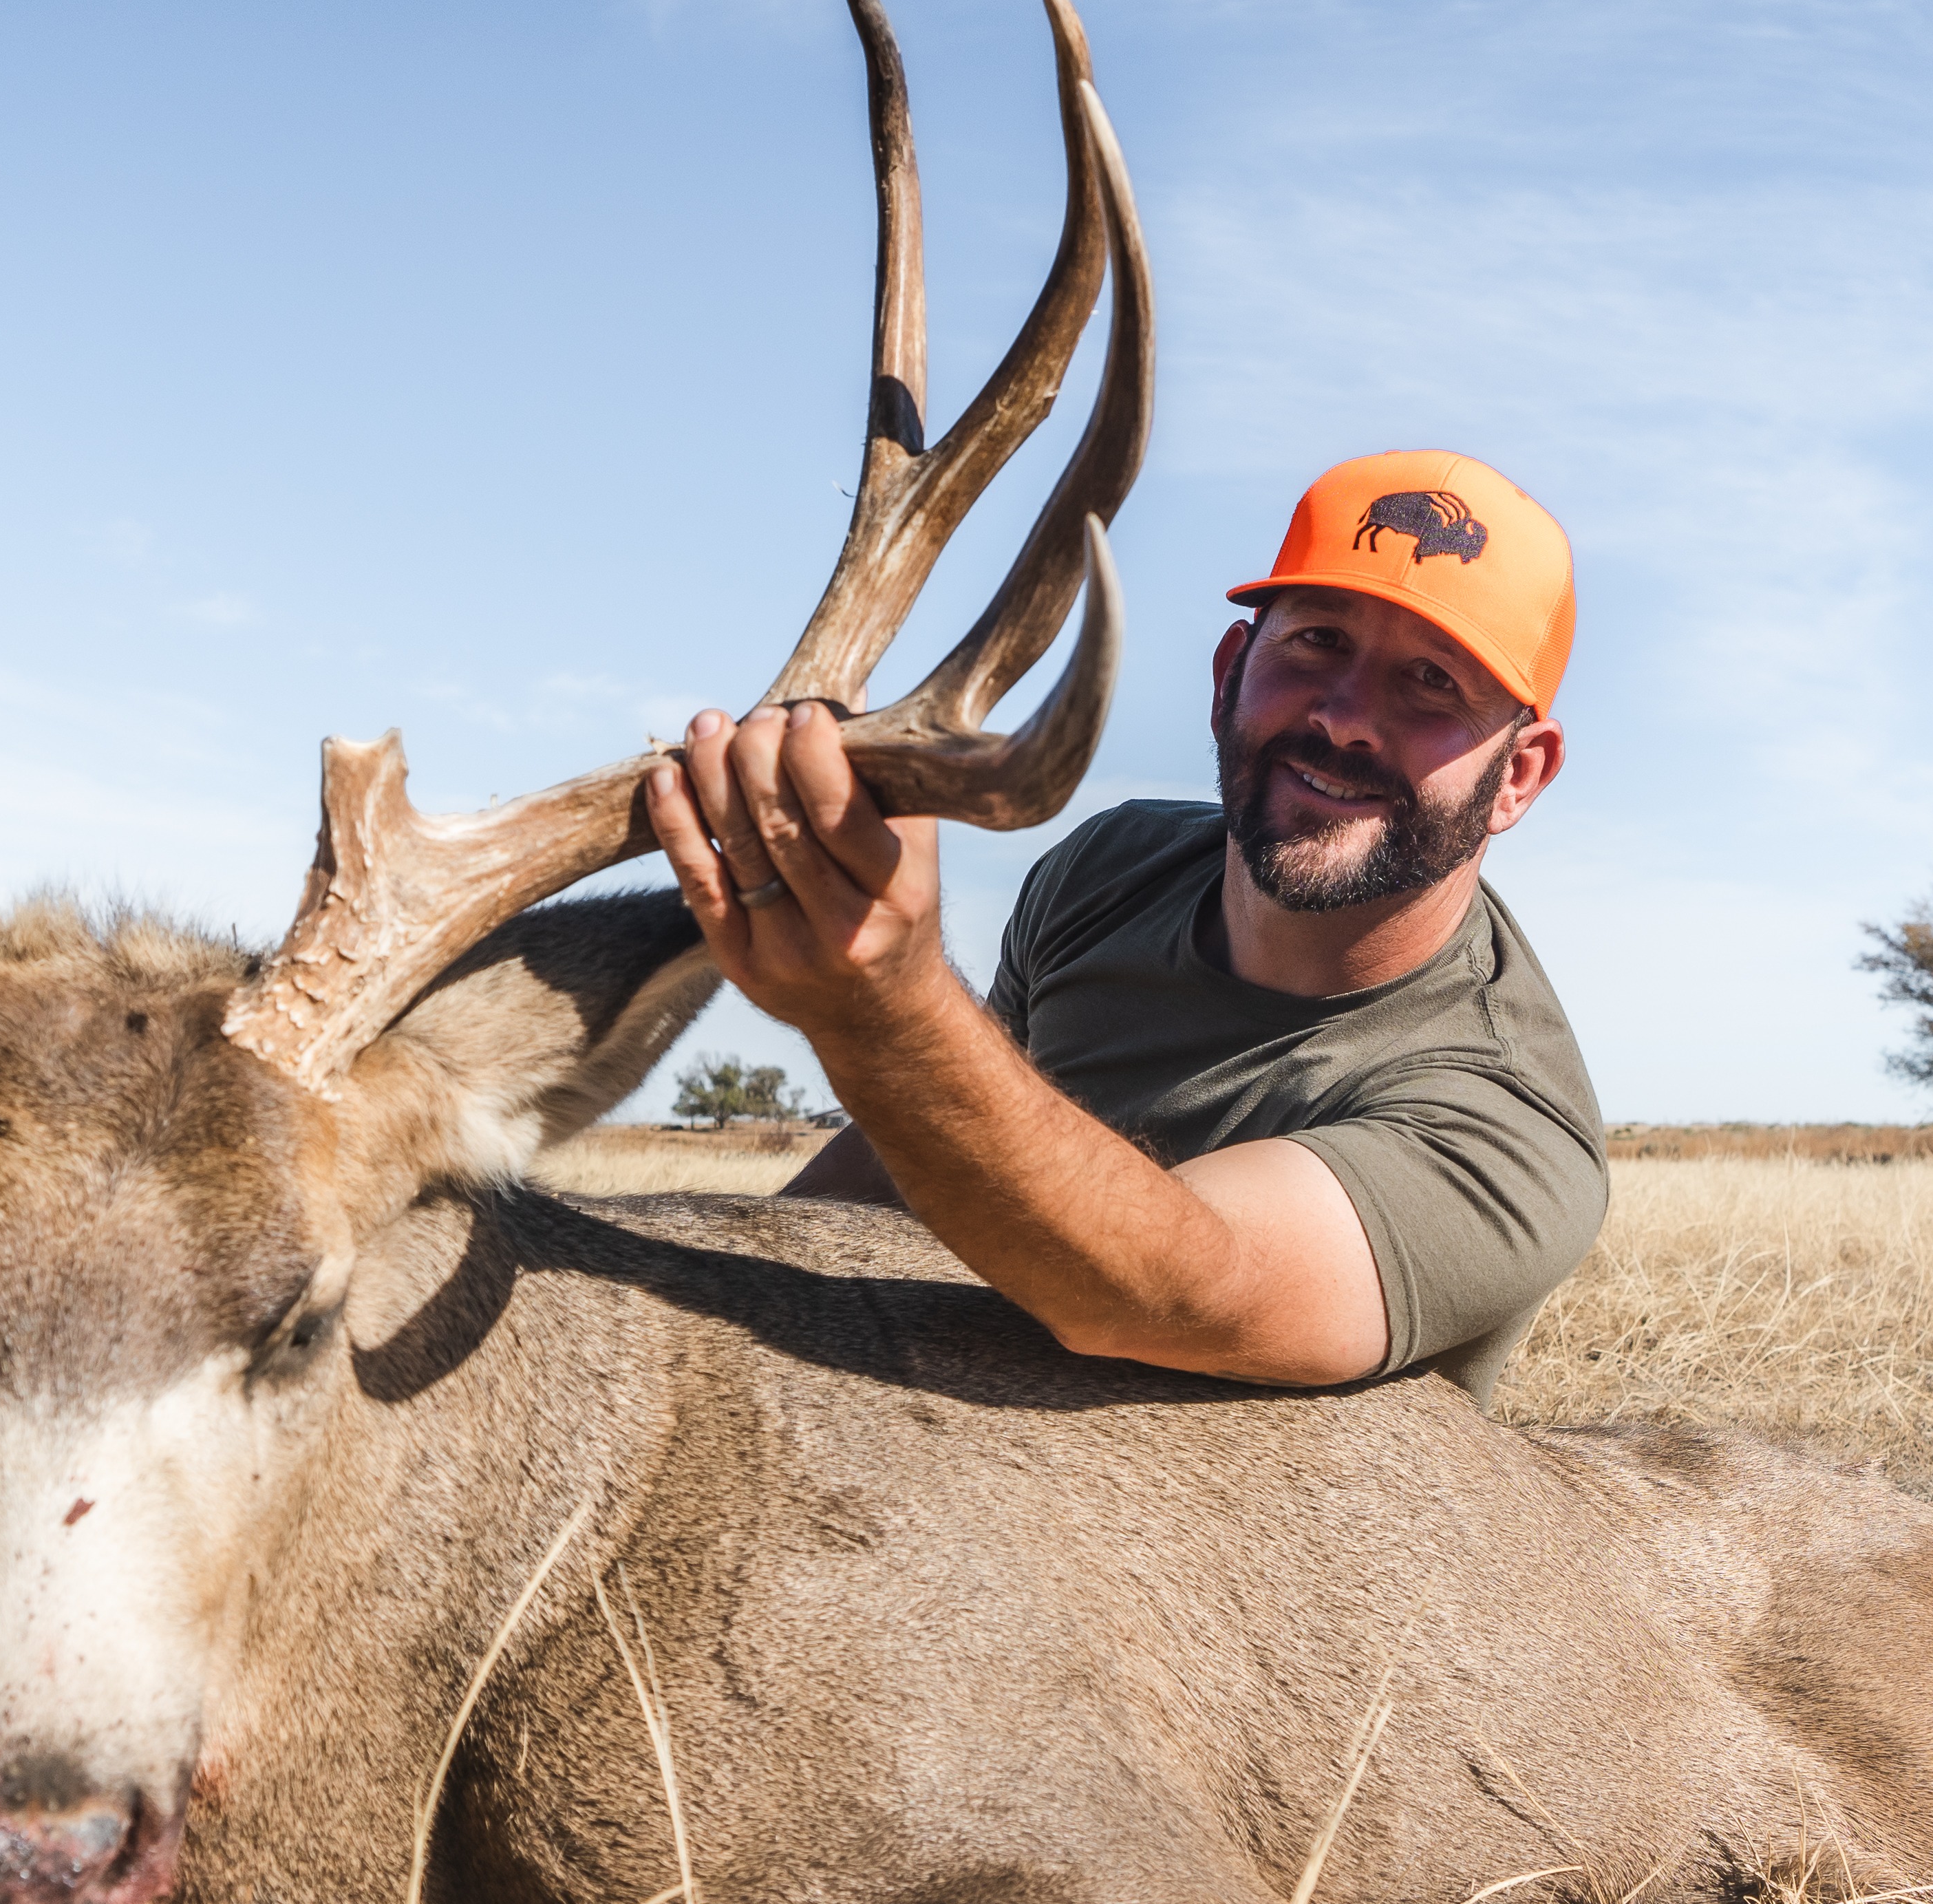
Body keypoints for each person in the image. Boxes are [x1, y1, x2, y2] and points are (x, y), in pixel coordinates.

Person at [642, 447, 1609, 1404]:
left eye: (1433, 683)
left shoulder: (1509, 1121)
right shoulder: (1107, 871)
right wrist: (680, 1310)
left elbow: (1185, 1291)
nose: (1348, 717)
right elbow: (913, 1139)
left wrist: (889, 1008)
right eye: (1317, 642)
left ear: (1516, 775)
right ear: (1231, 671)